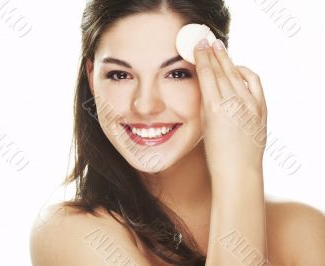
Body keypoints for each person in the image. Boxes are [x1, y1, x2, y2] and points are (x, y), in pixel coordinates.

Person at [30, 0, 325, 265]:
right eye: (120, 75)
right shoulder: (70, 233)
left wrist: (242, 168)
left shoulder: (304, 230)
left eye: (177, 74)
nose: (145, 105)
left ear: (219, 74)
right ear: (92, 79)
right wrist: (240, 171)